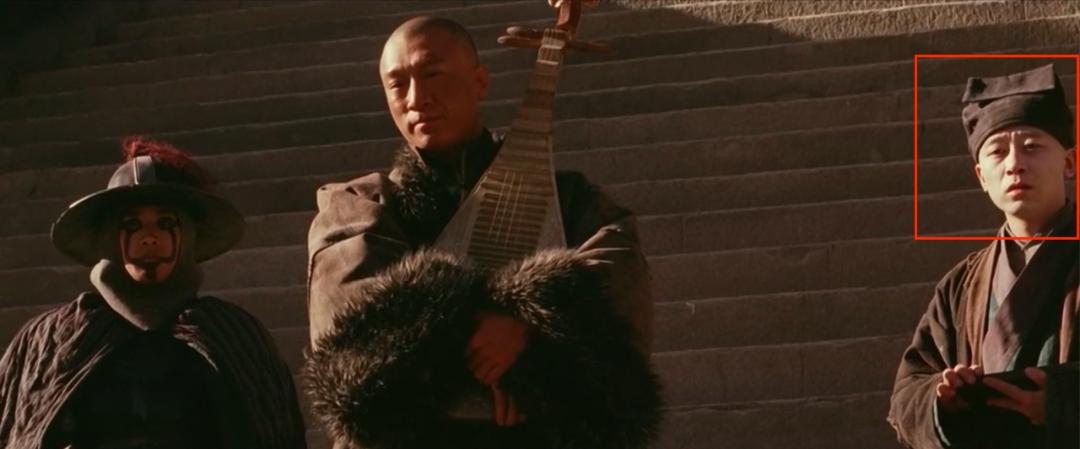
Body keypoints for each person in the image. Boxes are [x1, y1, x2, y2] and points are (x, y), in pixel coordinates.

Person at [303, 14, 660, 449]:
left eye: (433, 74)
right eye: (397, 84)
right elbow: (355, 341)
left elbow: (620, 282)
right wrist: (497, 338)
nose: (417, 98)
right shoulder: (360, 205)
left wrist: (527, 322)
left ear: (480, 82)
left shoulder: (571, 200)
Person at [0, 137, 307, 449]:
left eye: (164, 224)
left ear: (186, 234)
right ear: (110, 235)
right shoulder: (54, 340)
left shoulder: (232, 336)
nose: (149, 238)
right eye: (133, 225)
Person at [888, 64, 1078, 449]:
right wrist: (943, 399)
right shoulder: (961, 285)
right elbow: (907, 391)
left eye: (1032, 146)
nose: (1014, 164)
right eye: (997, 151)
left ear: (1070, 163)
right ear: (981, 177)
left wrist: (1062, 402)